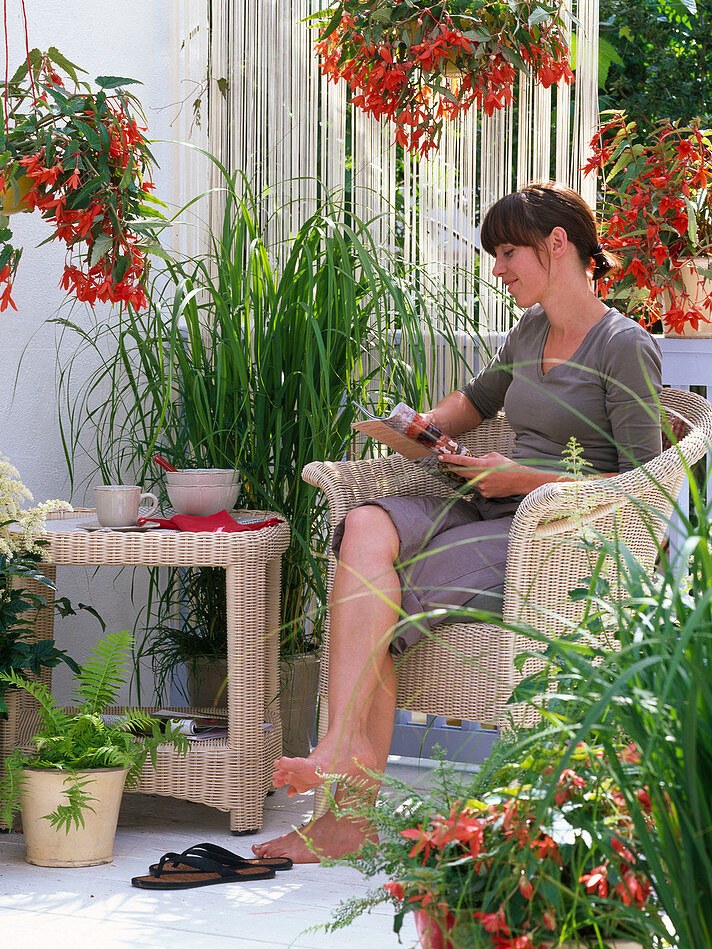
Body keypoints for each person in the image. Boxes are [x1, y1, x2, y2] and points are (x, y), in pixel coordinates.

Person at [251, 181, 663, 864]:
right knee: (365, 529)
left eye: (508, 253)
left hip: (545, 528)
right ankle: (339, 770)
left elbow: (643, 485)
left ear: (557, 245)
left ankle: (342, 813)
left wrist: (522, 478)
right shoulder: (530, 329)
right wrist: (421, 429)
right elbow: (469, 404)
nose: (497, 270)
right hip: (482, 498)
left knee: (383, 602)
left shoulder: (623, 346)